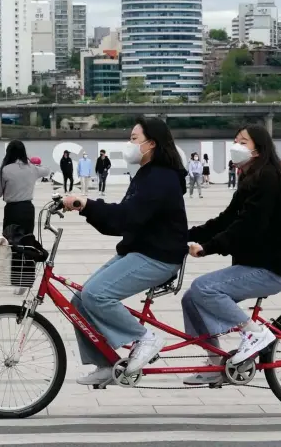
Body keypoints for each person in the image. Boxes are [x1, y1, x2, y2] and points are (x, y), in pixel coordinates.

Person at [62, 117, 188, 385]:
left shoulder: (161, 177)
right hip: (140, 250)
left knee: (96, 294)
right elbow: (120, 220)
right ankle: (105, 362)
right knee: (81, 300)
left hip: (159, 256)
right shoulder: (147, 174)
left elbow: (126, 218)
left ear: (151, 144)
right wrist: (85, 207)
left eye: (133, 139)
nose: (128, 144)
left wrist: (87, 204)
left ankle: (145, 338)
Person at [181, 125, 281, 385]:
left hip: (274, 266)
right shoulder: (250, 176)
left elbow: (249, 225)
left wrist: (208, 247)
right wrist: (186, 233)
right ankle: (216, 363)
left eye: (243, 141)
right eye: (235, 140)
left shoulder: (269, 176)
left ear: (258, 149)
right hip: (255, 262)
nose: (236, 145)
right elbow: (227, 218)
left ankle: (255, 333)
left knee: (203, 287)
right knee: (191, 298)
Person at [0, 140, 50, 234]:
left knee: (10, 241)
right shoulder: (32, 168)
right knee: (27, 240)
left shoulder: (5, 170)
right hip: (28, 209)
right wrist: (33, 163)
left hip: (12, 210)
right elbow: (47, 170)